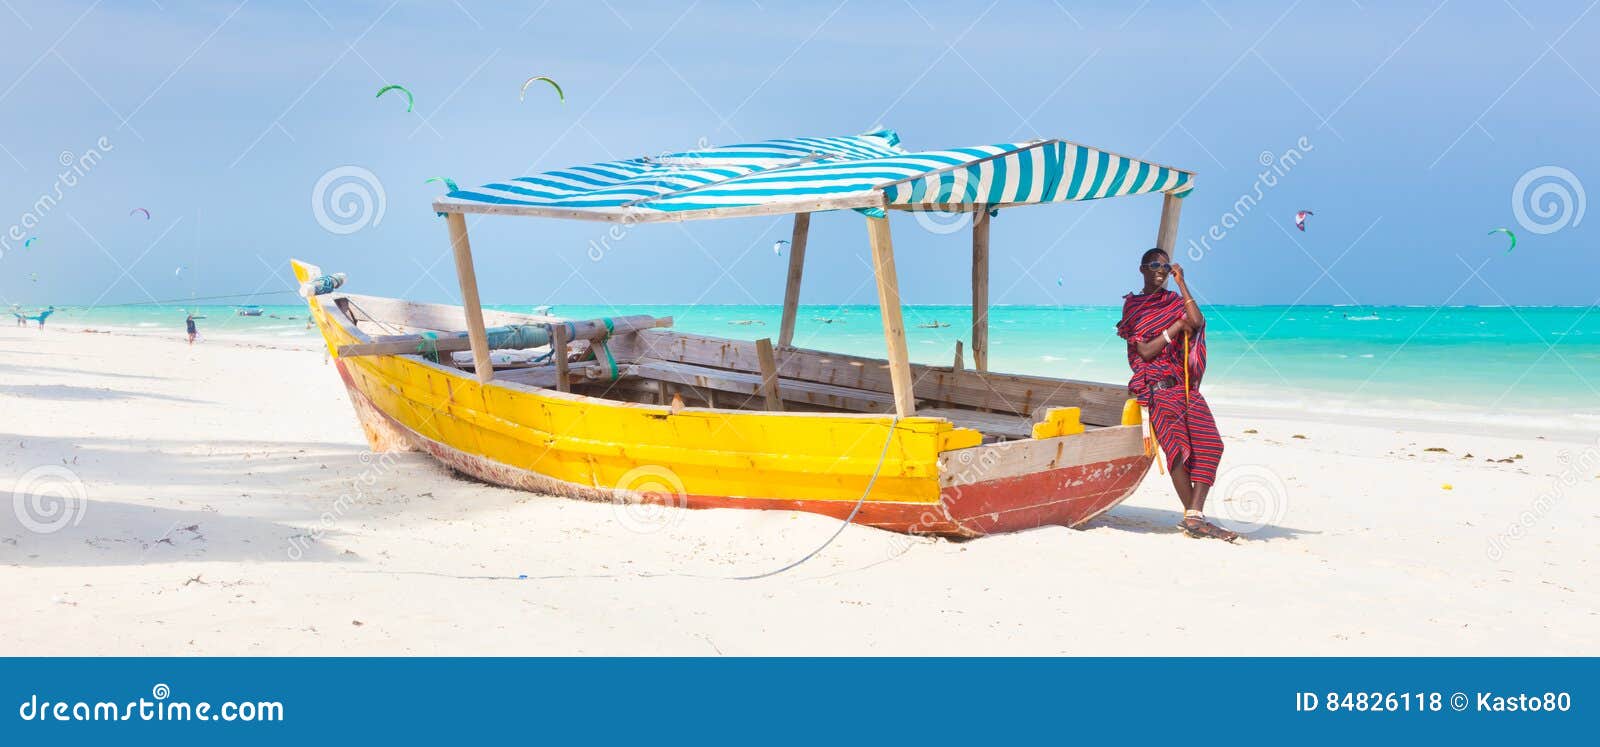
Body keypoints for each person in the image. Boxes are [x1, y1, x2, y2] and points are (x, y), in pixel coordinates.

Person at [1116, 248, 1234, 542]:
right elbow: (1144, 350)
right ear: (1142, 269)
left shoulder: (1173, 301)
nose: (1160, 269)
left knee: (1212, 445)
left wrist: (1181, 284)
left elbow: (1196, 321)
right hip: (1156, 390)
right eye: (1154, 264)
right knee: (1178, 452)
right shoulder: (1134, 307)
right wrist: (1175, 328)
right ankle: (1195, 518)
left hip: (1183, 387)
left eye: (1165, 266)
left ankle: (1194, 515)